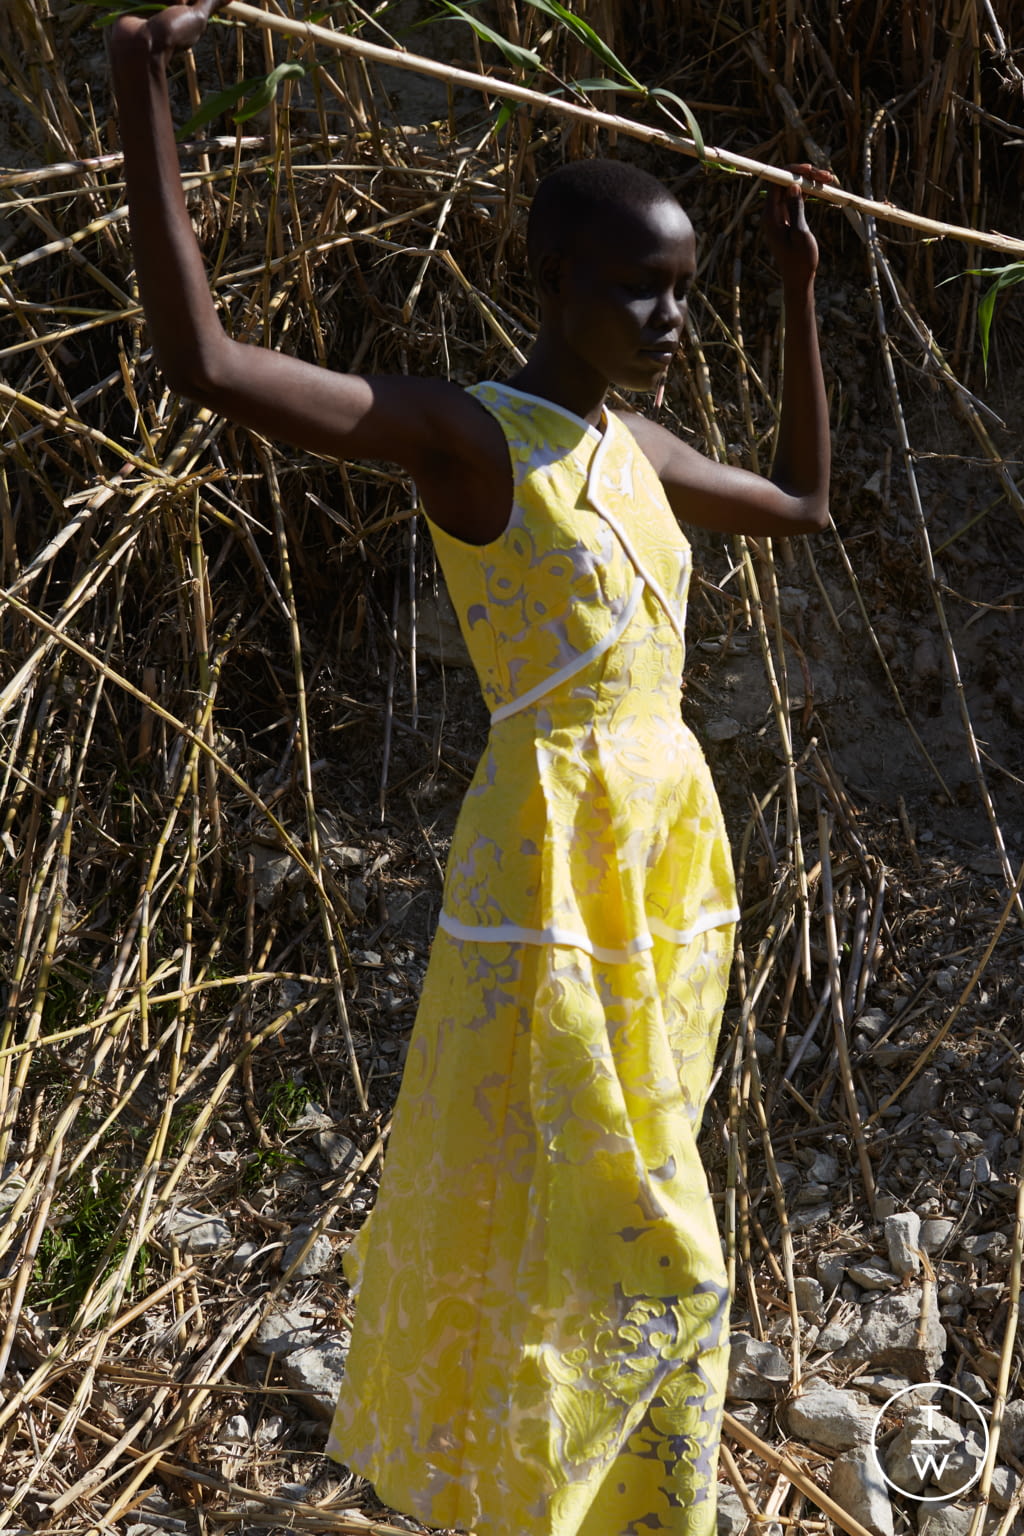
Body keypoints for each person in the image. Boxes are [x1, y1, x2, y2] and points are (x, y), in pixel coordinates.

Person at [109, 4, 830, 1534]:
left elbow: (805, 504)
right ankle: (535, 1490)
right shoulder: (472, 438)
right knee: (602, 1204)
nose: (668, 320)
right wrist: (140, 90)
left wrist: (797, 290)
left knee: (614, 1190)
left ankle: (589, 1500)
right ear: (550, 282)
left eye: (685, 292)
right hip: (551, 852)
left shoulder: (643, 452)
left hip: (667, 859)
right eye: (637, 289)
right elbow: (208, 362)